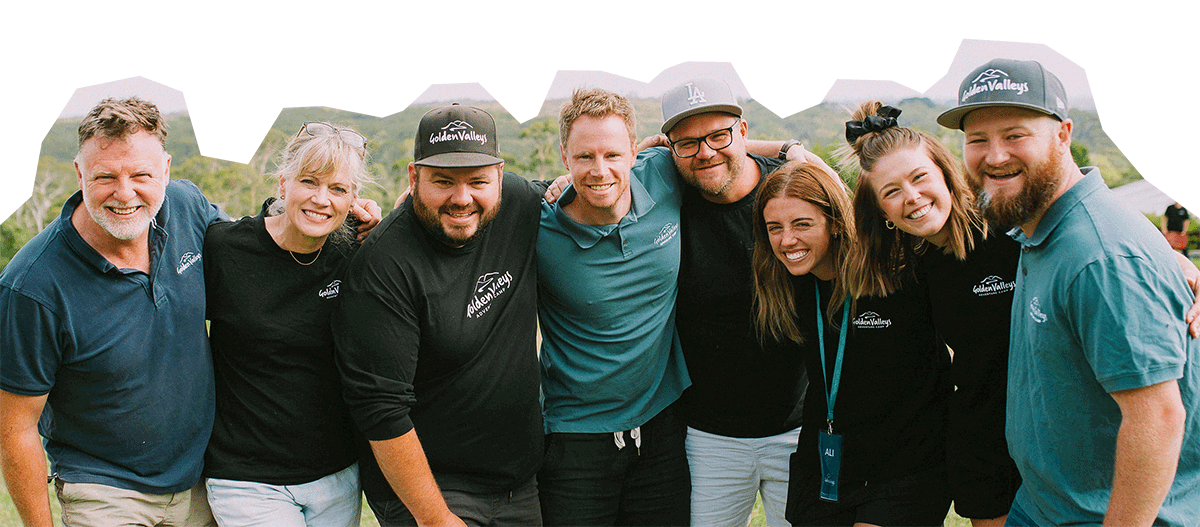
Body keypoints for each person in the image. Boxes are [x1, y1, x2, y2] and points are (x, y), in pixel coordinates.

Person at [937, 57, 1200, 525]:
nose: (994, 156)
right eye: (977, 140)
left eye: (1015, 135)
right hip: (1043, 505)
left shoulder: (1100, 257)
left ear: (1062, 135)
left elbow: (1157, 419)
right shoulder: (1035, 231)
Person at [0, 97, 223, 527]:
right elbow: (16, 428)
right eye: (105, 176)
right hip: (103, 488)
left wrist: (348, 224)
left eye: (141, 175)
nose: (125, 194)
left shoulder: (187, 208)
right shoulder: (31, 287)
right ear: (80, 173)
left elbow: (259, 253)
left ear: (166, 170)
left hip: (202, 480)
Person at [333, 103, 544, 527]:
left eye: (478, 181)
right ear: (414, 178)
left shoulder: (519, 205)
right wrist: (436, 519)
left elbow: (595, 186)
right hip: (433, 493)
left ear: (500, 177)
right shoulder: (384, 265)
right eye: (443, 182)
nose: (462, 198)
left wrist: (654, 157)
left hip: (518, 487)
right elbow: (381, 411)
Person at [838, 101, 1020, 527]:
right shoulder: (911, 268)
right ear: (881, 213)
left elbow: (1087, 213)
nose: (912, 198)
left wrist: (1174, 261)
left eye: (919, 178)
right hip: (985, 446)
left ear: (946, 172)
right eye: (892, 191)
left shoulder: (1011, 227)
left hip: (1056, 434)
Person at [751, 162, 952, 526]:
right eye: (774, 228)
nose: (786, 240)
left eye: (802, 224)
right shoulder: (788, 284)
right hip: (828, 464)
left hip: (904, 465)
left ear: (835, 220)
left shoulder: (894, 268)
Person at [657, 78, 818, 527]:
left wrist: (790, 149)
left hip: (799, 427)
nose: (705, 152)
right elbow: (612, 167)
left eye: (718, 136)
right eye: (687, 143)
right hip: (710, 437)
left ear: (743, 131)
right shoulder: (668, 202)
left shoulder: (788, 191)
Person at [536, 88, 691, 526]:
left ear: (634, 152)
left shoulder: (662, 173)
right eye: (585, 157)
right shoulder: (538, 225)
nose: (600, 170)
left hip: (661, 427)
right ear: (564, 156)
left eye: (612, 155)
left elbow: (717, 150)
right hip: (575, 440)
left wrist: (791, 150)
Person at [202, 122, 370, 527]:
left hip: (337, 476)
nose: (321, 199)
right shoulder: (225, 248)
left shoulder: (357, 253)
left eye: (338, 189)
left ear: (353, 200)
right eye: (309, 182)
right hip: (246, 479)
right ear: (283, 184)